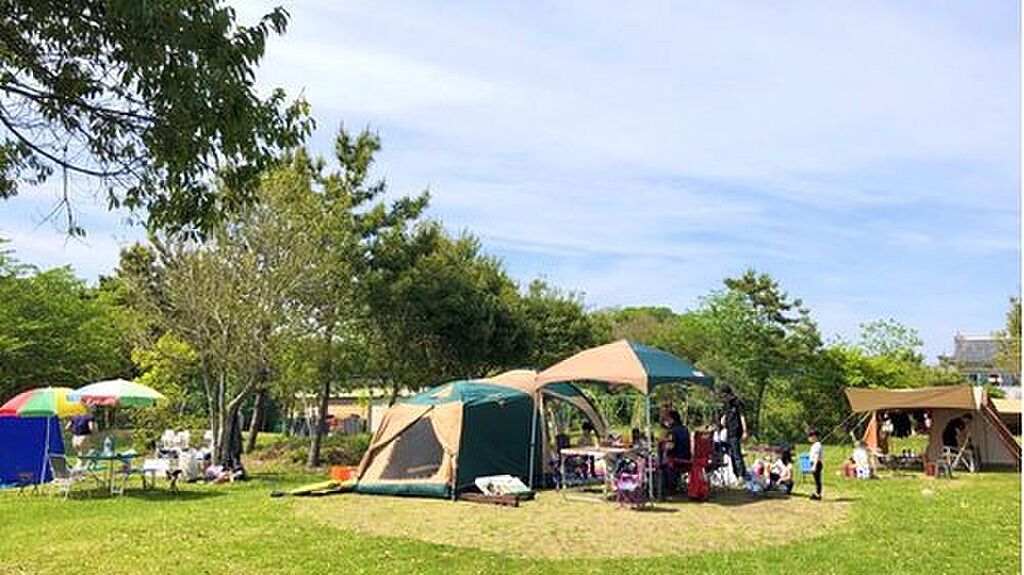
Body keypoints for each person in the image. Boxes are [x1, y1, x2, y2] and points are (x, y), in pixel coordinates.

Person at [719, 385, 747, 484]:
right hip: (729, 432)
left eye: (724, 396)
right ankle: (736, 474)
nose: (723, 398)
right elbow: (724, 417)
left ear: (728, 394)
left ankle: (741, 475)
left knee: (737, 454)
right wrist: (723, 420)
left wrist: (745, 431)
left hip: (736, 432)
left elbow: (742, 416)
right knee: (731, 454)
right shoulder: (727, 404)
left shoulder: (737, 403)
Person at [808, 429, 823, 500]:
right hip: (814, 463)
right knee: (816, 479)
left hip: (816, 463)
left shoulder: (817, 445)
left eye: (811, 436)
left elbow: (816, 456)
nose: (809, 438)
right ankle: (817, 493)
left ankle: (818, 494)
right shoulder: (815, 445)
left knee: (817, 480)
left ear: (815, 437)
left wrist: (814, 466)